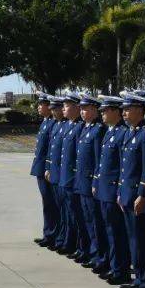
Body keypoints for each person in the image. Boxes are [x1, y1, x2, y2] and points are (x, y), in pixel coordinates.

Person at [118, 91, 145, 288]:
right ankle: (139, 278)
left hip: (137, 196)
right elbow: (125, 167)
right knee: (134, 239)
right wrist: (120, 191)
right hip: (126, 193)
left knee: (143, 241)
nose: (124, 113)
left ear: (140, 110)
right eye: (123, 109)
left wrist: (142, 194)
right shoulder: (130, 132)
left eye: (128, 109)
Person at [93, 96, 131, 284]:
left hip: (114, 190)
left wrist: (119, 191)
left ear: (115, 112)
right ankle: (112, 264)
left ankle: (120, 269)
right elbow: (102, 162)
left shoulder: (123, 132)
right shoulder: (110, 132)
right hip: (104, 189)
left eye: (105, 110)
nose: (102, 114)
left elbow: (122, 166)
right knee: (109, 230)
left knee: (117, 233)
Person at [74, 95, 105, 270]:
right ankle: (92, 253)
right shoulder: (85, 128)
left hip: (90, 183)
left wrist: (95, 181)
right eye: (81, 109)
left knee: (95, 222)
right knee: (87, 220)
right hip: (81, 182)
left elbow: (97, 159)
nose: (82, 112)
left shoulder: (98, 130)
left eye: (86, 109)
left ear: (94, 110)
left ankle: (99, 255)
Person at [57, 94, 86, 262]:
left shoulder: (80, 127)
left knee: (79, 217)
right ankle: (72, 243)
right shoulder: (68, 125)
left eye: (66, 106)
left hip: (73, 178)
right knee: (69, 214)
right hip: (65, 177)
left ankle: (80, 246)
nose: (63, 109)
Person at [32, 94, 58, 247]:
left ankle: (52, 234)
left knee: (51, 203)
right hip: (41, 168)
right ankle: (48, 233)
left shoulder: (53, 123)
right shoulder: (45, 122)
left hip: (47, 169)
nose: (38, 107)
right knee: (46, 203)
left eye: (41, 104)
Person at [45, 97, 70, 254]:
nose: (53, 111)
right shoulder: (58, 125)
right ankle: (61, 238)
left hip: (67, 176)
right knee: (60, 209)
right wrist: (48, 167)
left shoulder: (70, 126)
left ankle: (68, 241)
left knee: (70, 214)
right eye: (52, 109)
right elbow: (51, 150)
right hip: (57, 173)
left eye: (57, 108)